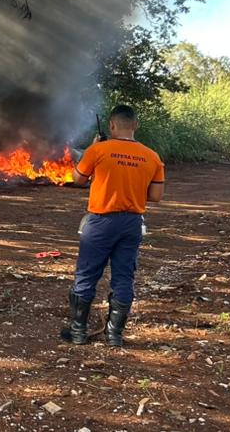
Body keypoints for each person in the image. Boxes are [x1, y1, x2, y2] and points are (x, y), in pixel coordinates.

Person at [61, 104, 164, 347]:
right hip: (131, 223)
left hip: (100, 222)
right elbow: (156, 196)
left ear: (111, 125)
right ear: (136, 125)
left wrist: (93, 151)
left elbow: (78, 179)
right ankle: (115, 335)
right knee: (124, 277)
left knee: (87, 274)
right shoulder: (152, 156)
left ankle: (78, 332)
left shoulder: (98, 150)